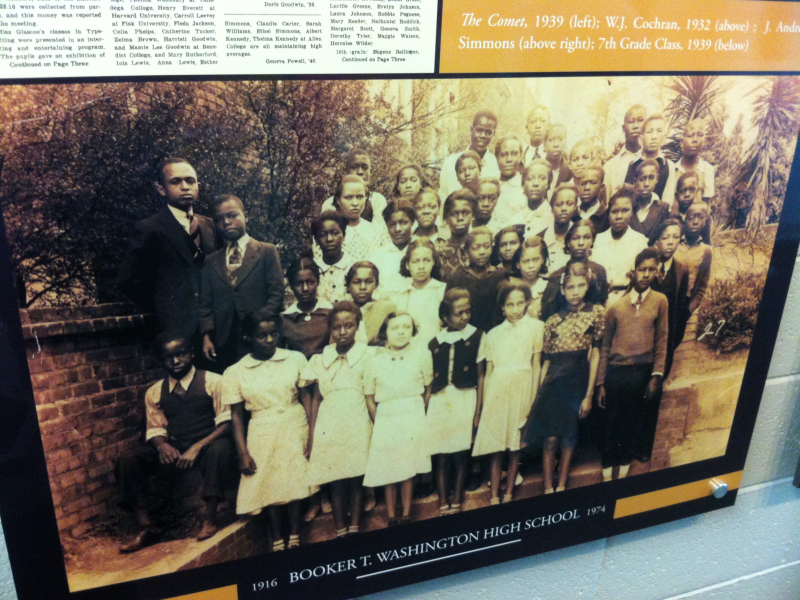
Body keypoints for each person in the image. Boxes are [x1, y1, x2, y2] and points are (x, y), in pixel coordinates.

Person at [115, 333, 233, 552]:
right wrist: (162, 445)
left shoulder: (214, 381)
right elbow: (155, 427)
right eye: (169, 357)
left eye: (181, 354)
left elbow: (226, 424)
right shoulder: (155, 392)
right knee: (128, 459)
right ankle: (146, 526)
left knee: (221, 449)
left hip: (207, 442)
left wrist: (198, 446)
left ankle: (210, 517)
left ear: (191, 354)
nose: (175, 361)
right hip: (177, 444)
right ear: (161, 360)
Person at [223, 311, 312, 551]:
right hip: (261, 428)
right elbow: (236, 416)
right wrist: (243, 452)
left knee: (293, 479)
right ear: (248, 337)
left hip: (293, 421)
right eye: (261, 336)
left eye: (273, 334)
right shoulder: (236, 371)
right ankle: (276, 537)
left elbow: (307, 399)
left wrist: (311, 435)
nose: (269, 340)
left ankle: (294, 534)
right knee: (269, 481)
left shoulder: (295, 359)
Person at [523, 263, 605, 493]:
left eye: (580, 286)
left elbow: (596, 353)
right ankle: (548, 488)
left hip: (577, 383)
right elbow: (546, 361)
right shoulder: (552, 321)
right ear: (562, 290)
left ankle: (561, 486)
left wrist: (588, 394)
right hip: (553, 384)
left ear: (587, 286)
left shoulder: (597, 312)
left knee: (569, 437)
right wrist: (539, 392)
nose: (575, 291)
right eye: (570, 287)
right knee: (550, 439)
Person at [117, 158, 217, 341]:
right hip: (175, 332)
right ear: (161, 189)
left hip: (214, 328)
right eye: (175, 181)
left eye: (190, 181)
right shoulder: (149, 228)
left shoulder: (210, 226)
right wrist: (164, 305)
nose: (185, 186)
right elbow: (128, 280)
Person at [596, 248, 669, 481]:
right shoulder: (616, 307)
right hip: (616, 373)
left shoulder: (660, 302)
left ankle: (625, 468)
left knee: (631, 422)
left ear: (656, 273)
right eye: (641, 269)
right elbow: (605, 347)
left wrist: (656, 376)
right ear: (632, 272)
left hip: (642, 371)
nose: (646, 274)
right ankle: (607, 473)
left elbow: (662, 340)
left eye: (651, 270)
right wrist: (601, 383)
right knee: (611, 423)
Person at [305, 303, 376, 537]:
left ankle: (354, 528)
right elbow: (316, 399)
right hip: (330, 421)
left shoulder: (368, 355)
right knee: (335, 477)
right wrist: (312, 434)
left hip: (357, 417)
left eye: (348, 326)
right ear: (330, 329)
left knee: (355, 475)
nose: (342, 332)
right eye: (336, 328)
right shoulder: (320, 359)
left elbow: (371, 393)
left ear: (357, 326)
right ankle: (340, 530)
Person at [473, 284, 543, 504]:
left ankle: (509, 494)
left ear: (527, 303)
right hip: (498, 394)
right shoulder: (492, 335)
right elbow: (489, 372)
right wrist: (485, 405)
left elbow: (537, 365)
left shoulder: (536, 327)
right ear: (502, 307)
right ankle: (494, 498)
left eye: (520, 303)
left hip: (522, 390)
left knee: (515, 448)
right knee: (496, 449)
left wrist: (532, 399)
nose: (515, 309)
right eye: (509, 304)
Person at [363, 312, 434, 526]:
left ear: (413, 330)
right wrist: (380, 421)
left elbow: (428, 389)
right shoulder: (374, 361)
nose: (401, 331)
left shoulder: (422, 354)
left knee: (407, 467)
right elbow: (369, 397)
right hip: (386, 417)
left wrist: (420, 412)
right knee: (389, 467)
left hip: (412, 413)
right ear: (385, 332)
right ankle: (392, 515)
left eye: (406, 327)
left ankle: (406, 513)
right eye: (395, 328)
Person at [199, 194, 284, 370]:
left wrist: (258, 327)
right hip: (224, 340)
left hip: (259, 338)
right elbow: (205, 304)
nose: (226, 222)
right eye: (219, 219)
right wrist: (207, 336)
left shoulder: (266, 252)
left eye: (232, 215)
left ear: (246, 217)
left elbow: (276, 295)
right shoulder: (211, 261)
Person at [427, 289, 485, 515]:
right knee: (441, 455)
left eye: (467, 312)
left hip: (465, 399)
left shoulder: (478, 336)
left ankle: (457, 501)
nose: (465, 317)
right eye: (459, 313)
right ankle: (443, 503)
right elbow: (430, 380)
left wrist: (478, 410)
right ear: (445, 317)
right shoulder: (434, 342)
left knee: (461, 453)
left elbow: (480, 376)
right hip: (440, 401)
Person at [541, 220, 609, 321]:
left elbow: (602, 303)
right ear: (568, 242)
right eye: (576, 238)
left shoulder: (598, 271)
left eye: (587, 238)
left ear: (592, 241)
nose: (581, 243)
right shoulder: (558, 276)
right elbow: (548, 312)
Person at [592, 186, 648, 306]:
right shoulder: (598, 239)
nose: (619, 216)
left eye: (625, 210)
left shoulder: (639, 241)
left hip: (626, 300)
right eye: (614, 211)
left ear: (632, 213)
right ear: (609, 213)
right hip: (597, 301)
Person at [446, 227, 510, 333]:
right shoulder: (457, 277)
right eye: (476, 248)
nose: (482, 252)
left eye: (486, 247)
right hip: (465, 335)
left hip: (495, 334)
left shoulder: (500, 275)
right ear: (467, 250)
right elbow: (450, 312)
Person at [650, 218, 690, 380]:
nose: (670, 243)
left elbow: (679, 310)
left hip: (665, 338)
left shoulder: (681, 270)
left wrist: (672, 341)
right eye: (665, 237)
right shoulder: (646, 266)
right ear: (657, 240)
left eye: (675, 238)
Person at [674, 202, 713, 345]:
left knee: (675, 341)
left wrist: (690, 309)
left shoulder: (706, 251)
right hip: (668, 299)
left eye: (699, 217)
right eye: (691, 218)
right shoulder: (675, 243)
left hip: (685, 304)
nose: (695, 222)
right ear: (685, 219)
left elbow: (702, 285)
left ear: (705, 220)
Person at [320, 148, 388, 230]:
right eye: (354, 167)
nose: (360, 172)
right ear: (346, 170)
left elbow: (380, 232)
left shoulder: (377, 200)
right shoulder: (330, 203)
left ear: (370, 170)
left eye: (365, 167)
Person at [439, 111, 500, 201]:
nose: (483, 136)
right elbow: (443, 198)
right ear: (471, 129)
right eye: (479, 130)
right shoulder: (450, 163)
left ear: (493, 134)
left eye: (488, 132)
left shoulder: (496, 165)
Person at [395, 238, 447, 345]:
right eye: (415, 261)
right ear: (407, 265)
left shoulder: (442, 291)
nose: (421, 266)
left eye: (427, 260)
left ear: (433, 262)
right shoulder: (401, 295)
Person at [282, 259, 332, 359]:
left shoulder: (331, 311)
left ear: (318, 282)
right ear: (291, 286)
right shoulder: (285, 319)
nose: (305, 288)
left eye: (310, 282)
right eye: (299, 283)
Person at [328, 174, 385, 262]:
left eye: (359, 197)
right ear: (338, 200)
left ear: (366, 198)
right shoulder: (329, 234)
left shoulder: (379, 231)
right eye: (348, 197)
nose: (355, 203)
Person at [624, 113, 677, 206]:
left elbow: (667, 202)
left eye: (659, 131)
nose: (654, 136)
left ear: (664, 138)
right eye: (650, 132)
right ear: (641, 139)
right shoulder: (630, 163)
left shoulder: (668, 166)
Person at [370, 200, 416, 298]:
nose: (398, 229)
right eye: (392, 224)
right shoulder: (377, 257)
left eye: (403, 222)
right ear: (387, 226)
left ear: (412, 222)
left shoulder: (422, 251)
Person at [347, 261, 398, 345]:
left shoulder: (386, 307)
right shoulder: (342, 312)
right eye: (357, 282)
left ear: (376, 284)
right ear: (348, 285)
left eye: (368, 281)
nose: (363, 287)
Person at [311, 210, 356, 304]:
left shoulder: (354, 267)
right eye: (323, 235)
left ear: (344, 235)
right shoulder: (312, 269)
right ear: (316, 239)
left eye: (335, 233)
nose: (329, 239)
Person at [604, 104, 646, 196]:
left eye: (640, 120)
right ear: (624, 128)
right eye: (631, 121)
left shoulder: (655, 161)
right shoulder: (610, 167)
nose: (635, 126)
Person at [435, 189, 476, 279]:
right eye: (454, 214)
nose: (460, 218)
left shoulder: (479, 248)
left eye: (465, 213)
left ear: (473, 215)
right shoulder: (439, 253)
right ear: (446, 219)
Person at [540, 184, 580, 274]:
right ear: (552, 208)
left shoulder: (581, 236)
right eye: (559, 204)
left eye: (569, 204)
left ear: (575, 207)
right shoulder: (541, 238)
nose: (564, 209)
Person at [673, 119, 715, 201]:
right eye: (690, 135)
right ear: (682, 142)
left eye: (700, 135)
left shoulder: (707, 169)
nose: (695, 140)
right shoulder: (673, 169)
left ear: (704, 142)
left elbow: (706, 204)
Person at [630, 160, 671, 242]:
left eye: (651, 178)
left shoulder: (663, 208)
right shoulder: (628, 206)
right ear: (635, 181)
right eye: (642, 179)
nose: (646, 184)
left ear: (657, 179)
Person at [510, 236, 550, 319]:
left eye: (535, 260)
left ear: (542, 260)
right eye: (525, 261)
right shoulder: (511, 285)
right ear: (518, 264)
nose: (531, 266)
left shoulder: (547, 285)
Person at [517, 159, 555, 237]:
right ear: (523, 184)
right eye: (530, 178)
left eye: (542, 178)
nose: (535, 183)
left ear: (548, 183)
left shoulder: (552, 217)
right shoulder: (516, 216)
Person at [672, 172, 711, 244]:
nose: (687, 195)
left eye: (692, 190)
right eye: (683, 191)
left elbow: (707, 243)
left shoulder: (703, 217)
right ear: (676, 194)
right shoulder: (674, 216)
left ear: (697, 191)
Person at [576, 165, 609, 233]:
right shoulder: (572, 215)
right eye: (583, 183)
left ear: (601, 187)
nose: (587, 187)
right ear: (578, 187)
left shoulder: (606, 217)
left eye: (593, 183)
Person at [544, 124, 573, 197]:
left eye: (560, 139)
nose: (556, 144)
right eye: (551, 140)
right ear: (544, 144)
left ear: (566, 142)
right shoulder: (537, 168)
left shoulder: (570, 171)